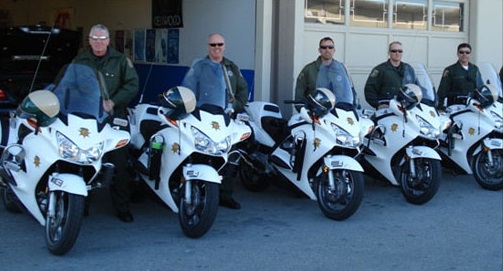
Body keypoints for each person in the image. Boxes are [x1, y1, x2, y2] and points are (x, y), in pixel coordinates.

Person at [72, 24, 139, 223]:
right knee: (83, 159)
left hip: (114, 117)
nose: (98, 42)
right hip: (87, 118)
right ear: (89, 41)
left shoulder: (120, 61)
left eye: (102, 38)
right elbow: (71, 86)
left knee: (119, 162)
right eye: (94, 38)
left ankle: (122, 207)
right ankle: (80, 204)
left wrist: (113, 101)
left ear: (109, 40)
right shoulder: (80, 61)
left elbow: (132, 84)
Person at [181, 33, 248, 209]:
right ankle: (202, 192)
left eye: (219, 44)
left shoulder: (231, 67)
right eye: (213, 45)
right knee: (201, 153)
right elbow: (187, 90)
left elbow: (243, 91)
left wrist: (235, 107)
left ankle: (225, 194)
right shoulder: (199, 66)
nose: (216, 48)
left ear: (224, 46)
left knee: (230, 156)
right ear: (208, 46)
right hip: (203, 117)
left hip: (226, 118)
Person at [295, 37, 357, 108]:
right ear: (319, 50)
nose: (327, 50)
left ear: (334, 50)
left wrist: (352, 107)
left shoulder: (341, 69)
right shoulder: (308, 69)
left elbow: (351, 91)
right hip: (317, 112)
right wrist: (303, 110)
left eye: (330, 47)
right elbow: (299, 94)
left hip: (339, 112)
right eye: (324, 47)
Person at [364, 41, 420, 109]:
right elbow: (369, 90)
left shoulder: (408, 69)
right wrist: (378, 105)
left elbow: (417, 87)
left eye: (400, 51)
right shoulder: (380, 69)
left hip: (407, 107)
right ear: (389, 52)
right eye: (394, 51)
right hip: (388, 108)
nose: (397, 53)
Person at [437, 43, 483, 110]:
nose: (464, 54)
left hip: (472, 105)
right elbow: (442, 90)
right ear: (457, 54)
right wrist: (440, 107)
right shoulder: (450, 70)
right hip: (455, 106)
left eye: (467, 52)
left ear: (470, 54)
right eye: (461, 52)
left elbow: (480, 87)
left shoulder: (475, 69)